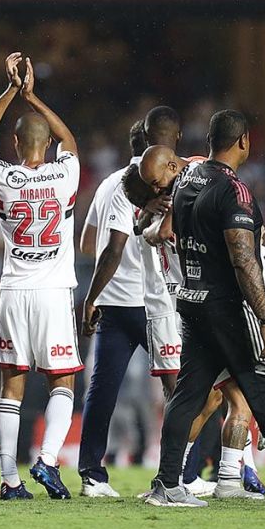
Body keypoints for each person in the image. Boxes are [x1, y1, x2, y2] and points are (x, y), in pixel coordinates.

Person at [139, 111, 265, 508]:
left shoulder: (186, 182)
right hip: (227, 306)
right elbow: (242, 258)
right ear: (244, 142)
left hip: (193, 301)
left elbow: (172, 235)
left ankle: (167, 485)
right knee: (264, 392)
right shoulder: (234, 190)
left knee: (187, 396)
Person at [0, 54, 81, 500]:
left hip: (15, 290)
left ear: (15, 145)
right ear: (46, 145)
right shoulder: (65, 172)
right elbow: (69, 138)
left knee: (11, 385)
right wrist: (33, 95)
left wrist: (11, 92)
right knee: (63, 381)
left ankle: (9, 479)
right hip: (54, 291)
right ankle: (48, 461)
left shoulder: (4, 177)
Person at [77, 110, 170, 498]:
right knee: (180, 386)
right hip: (153, 302)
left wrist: (94, 295)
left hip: (114, 302)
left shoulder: (108, 184)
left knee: (102, 389)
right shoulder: (170, 181)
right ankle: (187, 470)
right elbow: (111, 247)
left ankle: (91, 474)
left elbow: (87, 244)